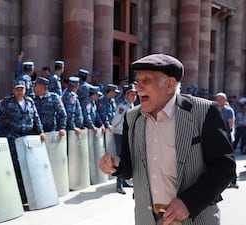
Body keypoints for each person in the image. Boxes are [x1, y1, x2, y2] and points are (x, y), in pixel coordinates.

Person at [99, 54, 236, 225]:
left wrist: (189, 202)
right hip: (147, 219)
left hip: (195, 218)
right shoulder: (132, 117)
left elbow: (224, 167)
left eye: (146, 80)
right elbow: (130, 165)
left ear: (170, 84)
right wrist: (116, 165)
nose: (138, 87)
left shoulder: (204, 112)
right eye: (138, 80)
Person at [0, 79, 46, 203]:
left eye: (21, 89)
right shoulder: (7, 103)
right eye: (17, 89)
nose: (19, 92)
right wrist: (6, 124)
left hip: (27, 137)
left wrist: (41, 132)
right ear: (13, 90)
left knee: (28, 166)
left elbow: (36, 118)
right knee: (15, 167)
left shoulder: (30, 102)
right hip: (13, 137)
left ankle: (27, 195)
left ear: (25, 90)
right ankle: (15, 195)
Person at [110, 84, 137, 194]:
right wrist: (113, 130)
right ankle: (119, 184)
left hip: (127, 135)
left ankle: (124, 180)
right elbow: (116, 120)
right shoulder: (122, 107)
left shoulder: (132, 106)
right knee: (120, 158)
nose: (134, 96)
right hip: (120, 134)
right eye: (131, 94)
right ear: (126, 95)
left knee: (127, 158)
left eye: (135, 94)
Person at [214, 92, 238, 189]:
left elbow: (230, 125)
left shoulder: (228, 110)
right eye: (217, 99)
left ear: (224, 100)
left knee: (229, 159)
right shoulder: (214, 109)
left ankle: (233, 181)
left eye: (221, 99)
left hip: (226, 137)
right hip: (216, 137)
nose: (219, 101)